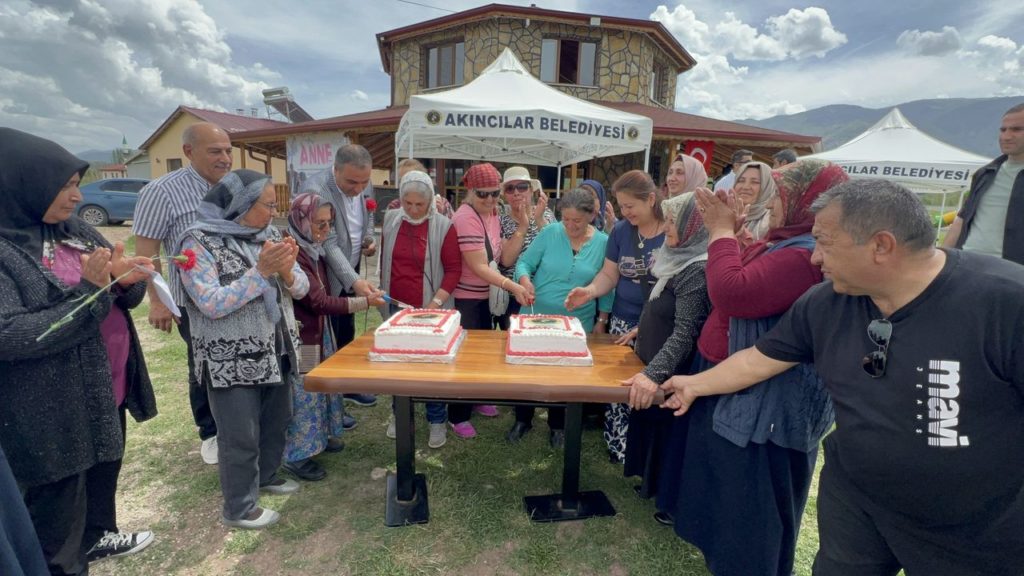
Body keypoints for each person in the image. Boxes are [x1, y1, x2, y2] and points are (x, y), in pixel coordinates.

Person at [663, 178, 1024, 575]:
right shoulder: (826, 302)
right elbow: (760, 359)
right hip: (857, 502)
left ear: (881, 245)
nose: (815, 258)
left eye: (824, 241)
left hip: (977, 530)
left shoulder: (1004, 302)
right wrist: (693, 384)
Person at [657, 160, 846, 576]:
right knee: (727, 496)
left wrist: (721, 234)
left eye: (778, 195)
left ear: (807, 203)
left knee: (749, 505)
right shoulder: (789, 243)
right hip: (736, 379)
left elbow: (734, 293)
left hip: (764, 398)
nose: (772, 203)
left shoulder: (802, 257)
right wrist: (737, 241)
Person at [0, 128, 157, 574]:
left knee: (105, 464)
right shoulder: (5, 250)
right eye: (64, 186)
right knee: (57, 513)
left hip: (106, 380)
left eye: (76, 183)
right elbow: (10, 334)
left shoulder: (74, 229)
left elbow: (123, 294)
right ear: (21, 185)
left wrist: (127, 281)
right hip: (48, 407)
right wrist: (92, 290)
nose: (76, 196)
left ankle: (101, 533)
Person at [177, 169, 310, 530]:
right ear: (241, 204)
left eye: (274, 204)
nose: (273, 212)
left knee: (277, 419)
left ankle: (266, 476)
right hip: (228, 358)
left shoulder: (269, 235)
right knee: (240, 433)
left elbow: (301, 287)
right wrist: (261, 273)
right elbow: (210, 303)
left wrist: (285, 273)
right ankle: (239, 507)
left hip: (276, 346)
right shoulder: (197, 242)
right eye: (267, 205)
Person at [133, 121, 232, 465]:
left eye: (228, 151)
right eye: (215, 151)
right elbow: (146, 253)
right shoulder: (160, 192)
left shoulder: (233, 187)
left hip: (235, 295)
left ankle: (237, 426)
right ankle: (211, 431)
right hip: (192, 301)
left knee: (233, 361)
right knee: (203, 364)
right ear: (189, 152)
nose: (225, 158)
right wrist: (157, 301)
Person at [564, 169, 666, 462]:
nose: (625, 212)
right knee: (621, 389)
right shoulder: (621, 231)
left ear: (650, 199)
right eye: (621, 207)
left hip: (658, 326)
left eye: (631, 206)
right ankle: (619, 447)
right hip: (624, 320)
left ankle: (647, 452)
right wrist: (590, 291)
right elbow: (610, 274)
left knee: (652, 389)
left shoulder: (672, 229)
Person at [283, 193, 384, 481]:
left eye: (329, 225)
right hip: (304, 337)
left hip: (318, 331)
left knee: (322, 387)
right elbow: (318, 301)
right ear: (301, 220)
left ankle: (321, 439)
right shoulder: (293, 253)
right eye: (319, 224)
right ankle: (298, 455)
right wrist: (364, 302)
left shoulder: (311, 247)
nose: (325, 232)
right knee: (305, 391)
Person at [621, 191, 710, 499]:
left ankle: (662, 493)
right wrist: (641, 328)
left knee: (665, 435)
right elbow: (663, 307)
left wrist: (653, 375)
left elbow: (686, 332)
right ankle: (649, 484)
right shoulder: (678, 258)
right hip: (653, 361)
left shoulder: (697, 269)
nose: (667, 227)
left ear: (692, 227)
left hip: (669, 371)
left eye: (673, 221)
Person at [508, 188, 614, 447]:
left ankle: (557, 424)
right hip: (535, 315)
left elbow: (608, 284)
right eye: (565, 219)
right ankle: (523, 418)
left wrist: (602, 321)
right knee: (527, 371)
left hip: (576, 323)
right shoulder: (549, 233)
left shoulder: (603, 243)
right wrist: (524, 281)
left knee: (564, 374)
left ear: (592, 215)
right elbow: (523, 263)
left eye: (576, 220)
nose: (570, 225)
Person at [379, 171, 462, 448]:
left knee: (431, 368)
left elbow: (453, 270)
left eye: (419, 204)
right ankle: (399, 414)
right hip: (396, 307)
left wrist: (435, 303)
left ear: (430, 202)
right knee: (397, 366)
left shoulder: (444, 226)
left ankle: (436, 419)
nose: (413, 210)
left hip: (430, 307)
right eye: (408, 203)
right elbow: (384, 262)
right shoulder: (391, 219)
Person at [450, 163, 531, 438]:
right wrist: (510, 285)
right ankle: (457, 414)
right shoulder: (466, 217)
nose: (490, 199)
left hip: (486, 296)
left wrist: (522, 226)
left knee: (481, 353)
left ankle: (478, 397)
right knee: (464, 356)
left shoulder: (493, 212)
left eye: (494, 193)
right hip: (467, 297)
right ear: (470, 191)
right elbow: (479, 266)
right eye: (482, 194)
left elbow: (505, 259)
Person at [300, 144, 379, 410]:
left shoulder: (362, 183)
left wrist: (369, 238)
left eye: (364, 182)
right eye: (351, 182)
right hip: (327, 274)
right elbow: (328, 243)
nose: (359, 189)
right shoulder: (317, 191)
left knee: (344, 326)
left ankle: (344, 387)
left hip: (352, 266)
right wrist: (354, 282)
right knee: (324, 334)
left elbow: (368, 216)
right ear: (335, 169)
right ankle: (323, 395)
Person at [943, 102, 1024, 265]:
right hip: (967, 264)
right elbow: (961, 219)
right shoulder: (985, 173)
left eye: (1016, 129)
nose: (1006, 136)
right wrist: (942, 259)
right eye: (1003, 129)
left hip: (1013, 271)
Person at [496, 165, 556, 330]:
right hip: (514, 296)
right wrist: (522, 226)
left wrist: (539, 221)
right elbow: (506, 260)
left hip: (545, 294)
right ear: (505, 195)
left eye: (522, 187)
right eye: (510, 188)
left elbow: (556, 251)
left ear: (531, 191)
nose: (516, 192)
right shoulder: (500, 221)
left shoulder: (547, 213)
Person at [386, 158, 455, 218]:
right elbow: (389, 230)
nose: (405, 183)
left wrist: (440, 214)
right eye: (401, 180)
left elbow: (452, 228)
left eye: (410, 178)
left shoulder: (443, 204)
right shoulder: (394, 206)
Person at [731, 161, 779, 245]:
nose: (745, 187)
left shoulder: (772, 221)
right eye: (741, 181)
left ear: (767, 186)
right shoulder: (724, 213)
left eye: (755, 182)